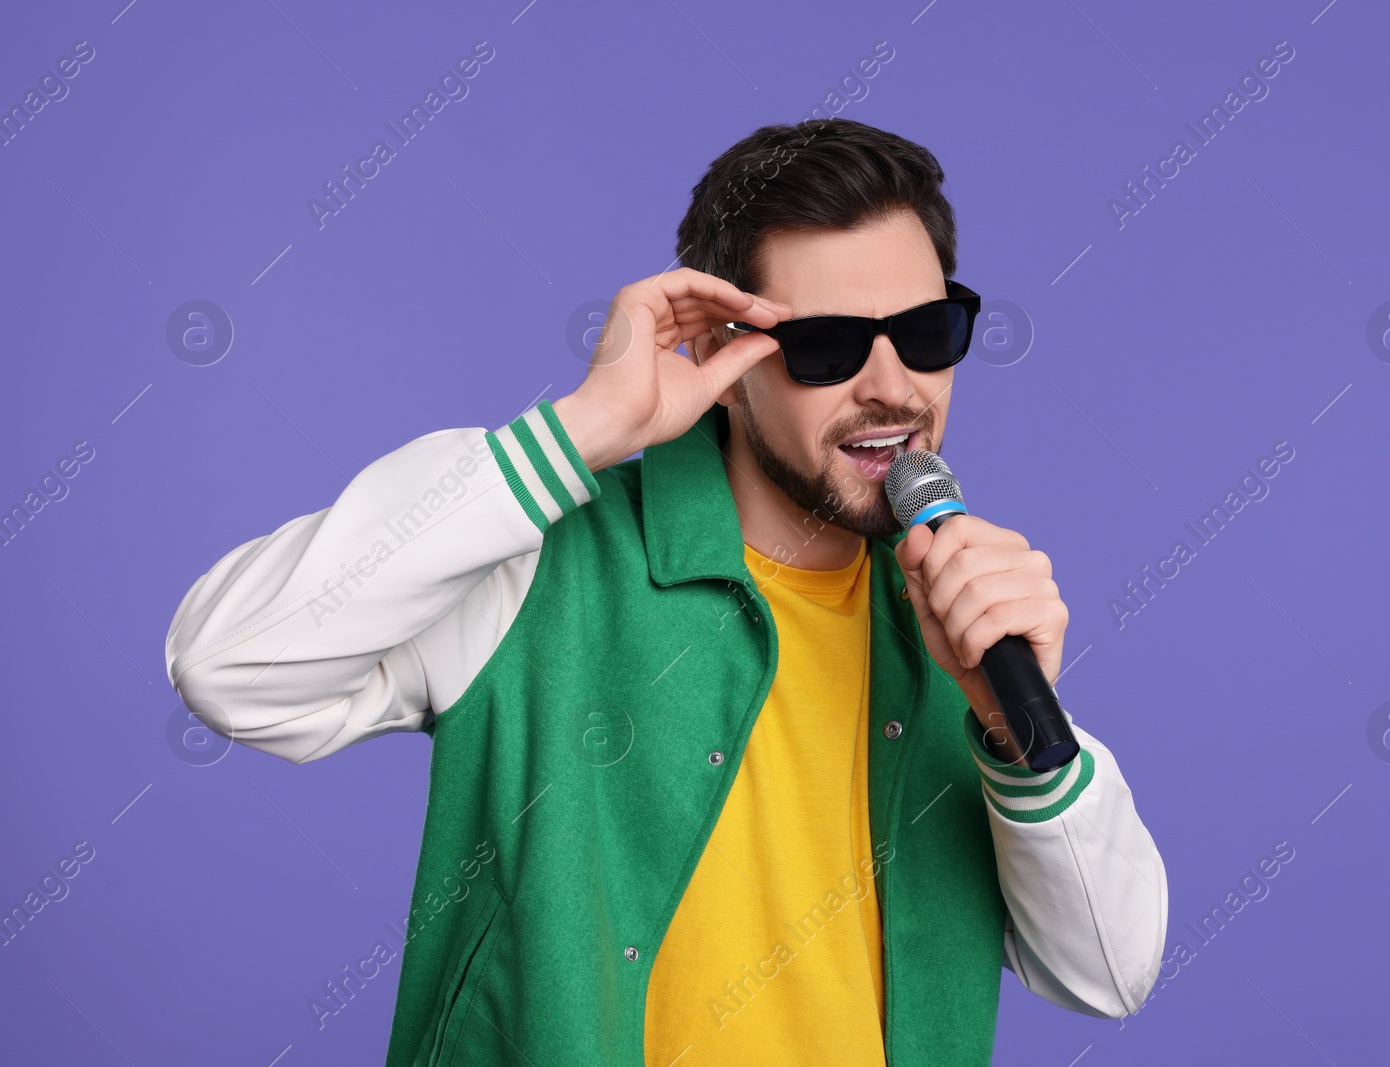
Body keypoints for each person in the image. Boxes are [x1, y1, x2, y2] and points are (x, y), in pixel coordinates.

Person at [165, 118, 1167, 1066]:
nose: (892, 386)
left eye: (925, 329)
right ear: (724, 361)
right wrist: (581, 430)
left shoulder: (961, 624)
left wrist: (1013, 732)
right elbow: (230, 667)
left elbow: (1109, 973)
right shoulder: (539, 556)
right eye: (827, 345)